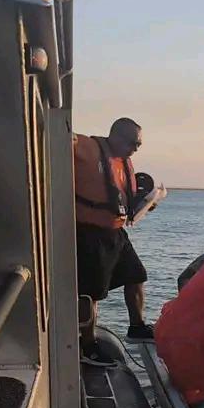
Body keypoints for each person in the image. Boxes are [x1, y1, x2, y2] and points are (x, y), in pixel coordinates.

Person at [74, 117, 152, 366]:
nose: (136, 149)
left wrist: (143, 205)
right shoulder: (87, 147)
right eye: (133, 143)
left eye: (138, 145)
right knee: (90, 294)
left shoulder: (123, 162)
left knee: (136, 275)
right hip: (89, 234)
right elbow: (58, 134)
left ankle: (137, 326)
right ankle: (87, 346)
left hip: (116, 233)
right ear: (115, 136)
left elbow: (118, 196)